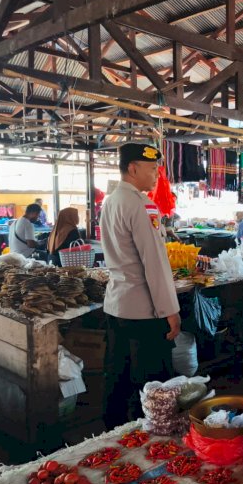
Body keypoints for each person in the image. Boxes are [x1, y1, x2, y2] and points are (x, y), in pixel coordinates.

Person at [100, 143, 181, 429]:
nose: (157, 174)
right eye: (152, 168)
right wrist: (170, 310)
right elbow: (155, 263)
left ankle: (113, 434)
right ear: (133, 169)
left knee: (118, 378)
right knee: (152, 386)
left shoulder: (111, 201)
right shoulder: (141, 205)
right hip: (144, 310)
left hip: (117, 304)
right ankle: (149, 437)